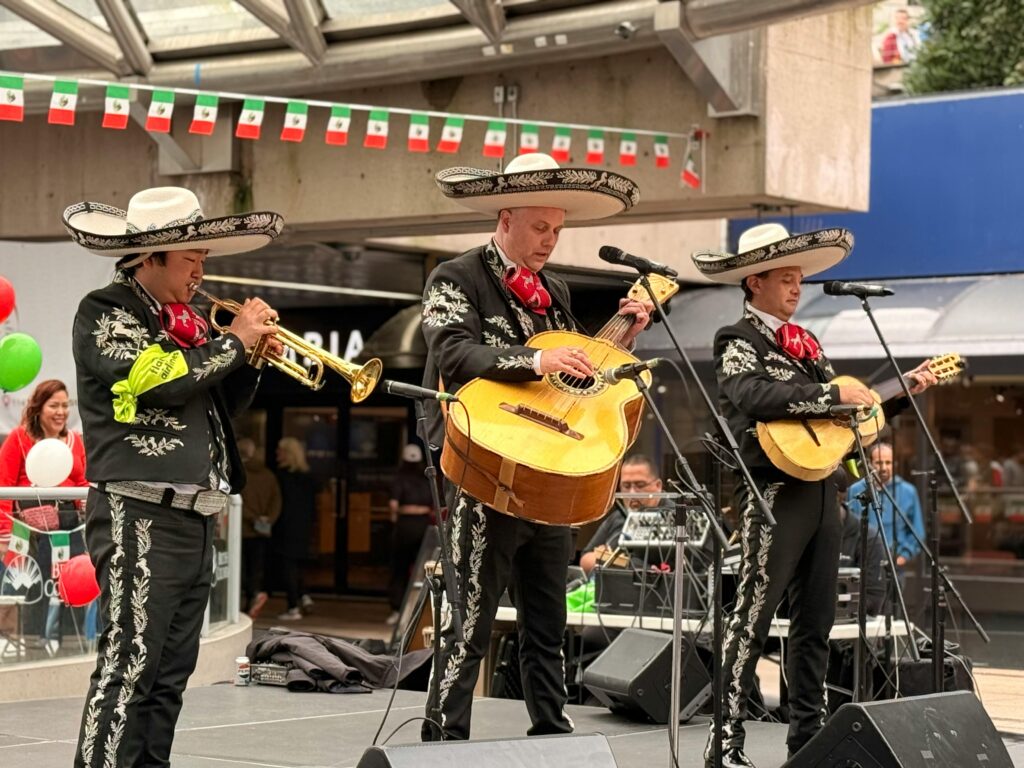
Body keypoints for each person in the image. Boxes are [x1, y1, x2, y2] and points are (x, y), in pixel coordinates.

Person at [420, 152, 650, 741]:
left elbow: (577, 380)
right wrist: (537, 358)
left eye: (557, 229)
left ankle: (551, 730)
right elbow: (452, 354)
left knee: (547, 619)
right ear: (505, 217)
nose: (550, 240)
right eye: (540, 227)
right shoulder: (456, 276)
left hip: (551, 469)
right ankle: (443, 737)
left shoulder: (556, 290)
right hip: (485, 466)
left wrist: (619, 338)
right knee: (469, 617)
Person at [691, 223, 937, 767]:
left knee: (816, 627)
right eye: (785, 278)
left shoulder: (809, 347)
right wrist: (829, 391)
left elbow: (843, 425)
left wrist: (897, 397)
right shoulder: (737, 338)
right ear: (753, 281)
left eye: (799, 278)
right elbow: (750, 394)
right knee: (751, 617)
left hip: (824, 489)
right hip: (773, 491)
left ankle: (806, 739)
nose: (796, 287)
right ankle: (723, 740)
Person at [65, 185, 284, 768]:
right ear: (149, 257)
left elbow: (219, 404)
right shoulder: (105, 310)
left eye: (203, 259)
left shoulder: (188, 325)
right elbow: (155, 380)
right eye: (191, 259)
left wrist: (250, 356)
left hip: (194, 517)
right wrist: (234, 341)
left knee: (169, 673)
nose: (200, 271)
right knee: (130, 665)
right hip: (137, 511)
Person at [0, 378, 89, 647]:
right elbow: (3, 485)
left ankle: (70, 648)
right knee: (32, 590)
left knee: (70, 589)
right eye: (54, 405)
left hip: (70, 528)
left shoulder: (75, 441)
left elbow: (83, 482)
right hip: (29, 533)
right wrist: (4, 534)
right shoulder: (19, 439)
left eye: (65, 405)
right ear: (39, 408)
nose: (61, 412)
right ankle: (32, 648)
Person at [847, 442, 926, 575]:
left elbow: (917, 531)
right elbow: (850, 530)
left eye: (888, 462)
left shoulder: (908, 491)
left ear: (894, 464)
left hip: (895, 568)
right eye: (878, 462)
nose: (883, 467)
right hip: (865, 568)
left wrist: (903, 557)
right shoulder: (856, 490)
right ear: (870, 464)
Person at [579, 453, 664, 576]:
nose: (632, 493)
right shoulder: (617, 518)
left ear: (658, 486)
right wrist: (621, 563)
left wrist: (608, 559)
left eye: (640, 485)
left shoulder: (676, 518)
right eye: (626, 486)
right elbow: (586, 559)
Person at [386, 443, 435, 626]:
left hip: (405, 525)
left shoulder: (399, 478)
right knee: (421, 570)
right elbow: (433, 506)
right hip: (423, 527)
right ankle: (419, 610)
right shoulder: (426, 479)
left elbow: (393, 505)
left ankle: (396, 610)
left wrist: (394, 519)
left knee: (399, 568)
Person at [271, 437, 317, 621]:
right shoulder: (308, 478)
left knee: (288, 566)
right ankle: (304, 596)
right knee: (297, 565)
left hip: (286, 526)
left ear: (288, 454)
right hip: (303, 526)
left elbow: (278, 503)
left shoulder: (281, 476)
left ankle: (293, 607)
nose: (277, 454)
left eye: (280, 451)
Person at [833, 468, 886, 616]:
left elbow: (874, 598)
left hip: (849, 630)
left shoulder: (868, 537)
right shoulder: (807, 532)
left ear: (840, 497)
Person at [238, 437, 281, 619]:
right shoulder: (268, 474)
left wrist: (252, 517)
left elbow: (235, 501)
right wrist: (268, 519)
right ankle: (254, 595)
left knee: (241, 567)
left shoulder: (238, 474)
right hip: (262, 530)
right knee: (256, 566)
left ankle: (244, 603)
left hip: (241, 529)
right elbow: (277, 500)